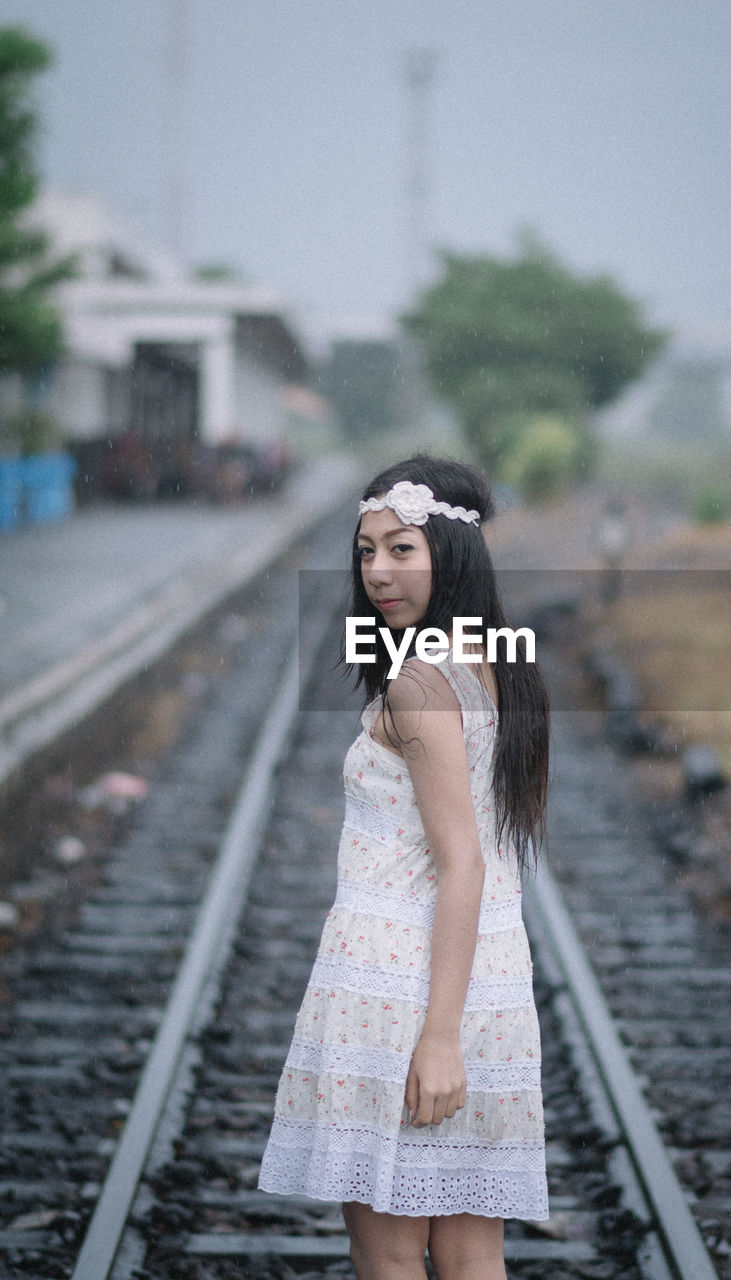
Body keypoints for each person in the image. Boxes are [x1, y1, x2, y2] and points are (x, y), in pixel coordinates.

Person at [259, 455, 550, 1279]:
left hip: (402, 994)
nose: (377, 573)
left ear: (450, 555)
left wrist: (438, 1038)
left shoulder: (420, 684)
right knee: (468, 1254)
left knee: (388, 1259)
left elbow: (462, 862)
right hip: (487, 983)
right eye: (365, 552)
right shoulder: (492, 663)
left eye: (400, 550)